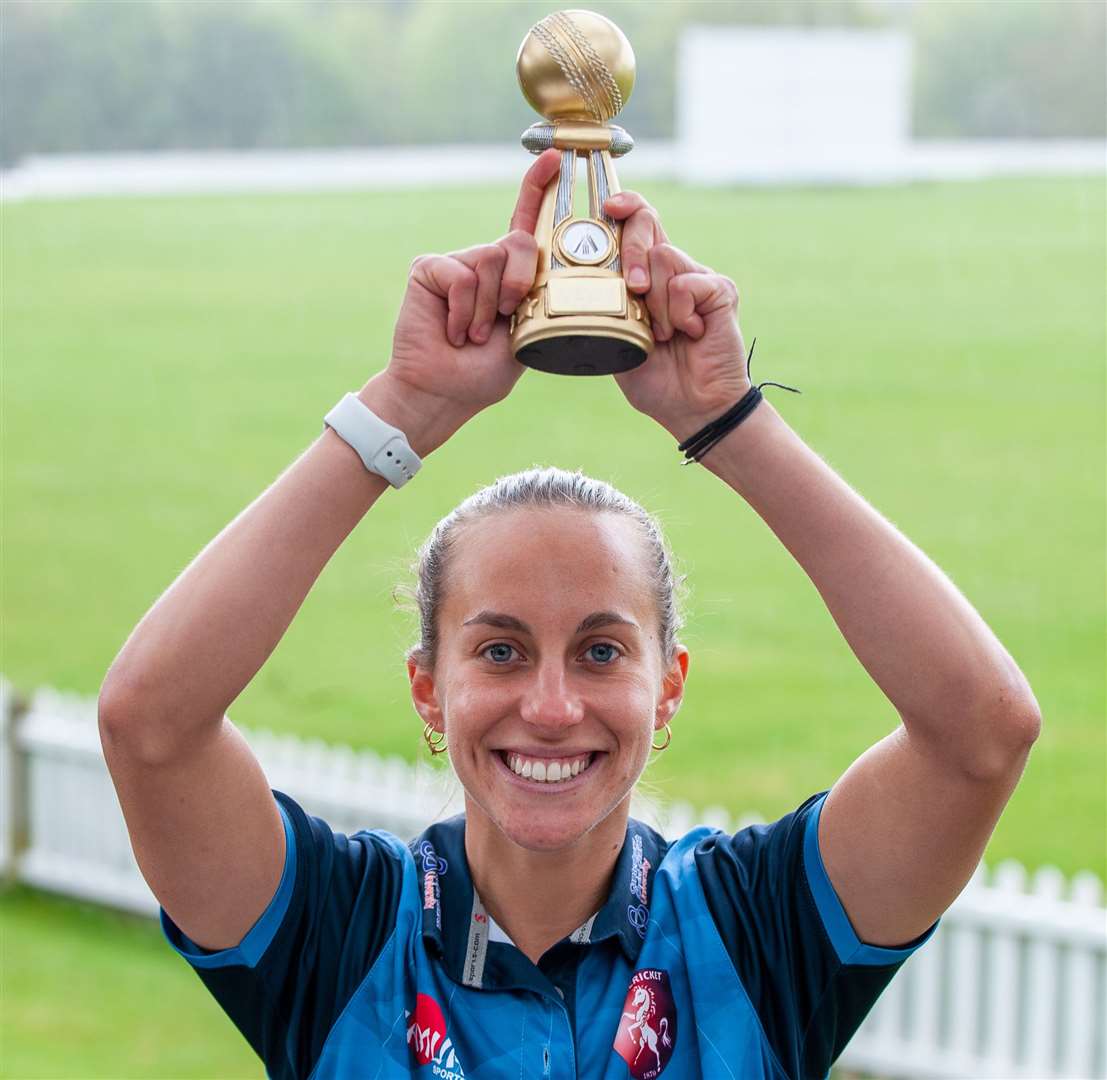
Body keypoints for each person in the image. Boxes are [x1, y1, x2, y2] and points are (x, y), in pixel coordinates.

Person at [98, 149, 1041, 1080]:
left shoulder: (754, 931)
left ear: (667, 687)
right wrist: (403, 408)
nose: (550, 707)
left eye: (599, 651)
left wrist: (729, 419)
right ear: (427, 688)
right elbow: (151, 727)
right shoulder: (341, 935)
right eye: (500, 651)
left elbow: (980, 735)